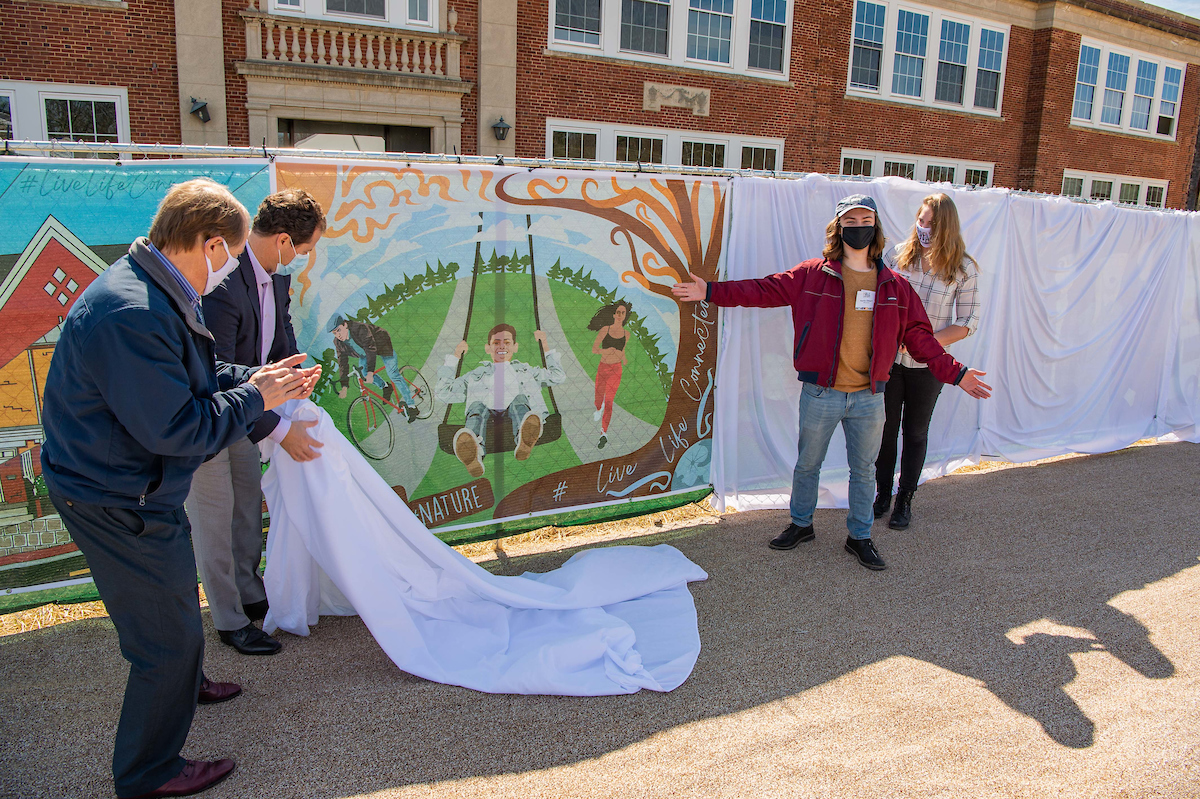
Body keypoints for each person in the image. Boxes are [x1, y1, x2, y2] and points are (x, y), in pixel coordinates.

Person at [39, 178, 319, 799]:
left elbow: (194, 371)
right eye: (229, 257)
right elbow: (179, 427)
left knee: (173, 615)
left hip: (131, 485)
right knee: (166, 639)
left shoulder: (155, 287)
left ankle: (183, 687)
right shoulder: (135, 312)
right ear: (210, 243)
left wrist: (259, 376)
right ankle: (150, 770)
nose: (230, 270)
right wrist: (259, 396)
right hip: (118, 497)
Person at [671, 194, 991, 571]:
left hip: (869, 397)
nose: (859, 227)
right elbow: (763, 289)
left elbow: (922, 340)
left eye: (865, 220)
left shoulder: (895, 286)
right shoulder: (813, 274)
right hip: (821, 392)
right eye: (850, 221)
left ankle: (860, 536)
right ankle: (801, 525)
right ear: (839, 228)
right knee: (808, 464)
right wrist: (710, 291)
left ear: (876, 227)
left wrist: (957, 373)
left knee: (864, 470)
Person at [185, 188, 327, 657]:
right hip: (208, 421)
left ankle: (250, 594)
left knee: (247, 506)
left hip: (249, 416)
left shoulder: (272, 281)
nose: (300, 261)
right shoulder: (223, 284)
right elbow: (214, 372)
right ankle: (228, 619)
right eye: (302, 251)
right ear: (284, 240)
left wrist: (295, 376)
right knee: (215, 518)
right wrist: (280, 427)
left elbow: (278, 347)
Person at [874, 193, 982, 530]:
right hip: (889, 360)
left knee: (916, 431)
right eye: (921, 221)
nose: (924, 228)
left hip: (929, 365)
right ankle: (882, 494)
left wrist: (924, 344)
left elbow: (967, 323)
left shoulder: (964, 269)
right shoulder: (896, 256)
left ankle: (905, 498)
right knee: (885, 430)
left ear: (946, 226)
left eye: (932, 224)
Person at [435, 323, 566, 477]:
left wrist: (544, 343)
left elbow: (557, 376)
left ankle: (524, 439)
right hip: (486, 419)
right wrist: (455, 356)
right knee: (476, 407)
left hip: (516, 415)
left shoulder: (525, 370)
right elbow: (442, 393)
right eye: (496, 343)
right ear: (488, 348)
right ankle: (474, 452)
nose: (501, 346)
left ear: (515, 347)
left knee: (520, 400)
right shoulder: (476, 374)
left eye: (507, 342)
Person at [331, 315, 419, 423]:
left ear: (345, 325)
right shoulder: (338, 343)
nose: (338, 335)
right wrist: (344, 386)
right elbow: (342, 363)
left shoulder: (359, 328)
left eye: (338, 330)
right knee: (363, 373)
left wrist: (370, 372)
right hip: (364, 353)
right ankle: (386, 387)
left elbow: (370, 348)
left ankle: (412, 406)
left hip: (381, 344)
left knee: (393, 374)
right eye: (334, 333)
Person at [588, 300, 632, 449]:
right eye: (618, 312)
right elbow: (594, 349)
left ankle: (603, 432)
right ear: (614, 314)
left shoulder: (627, 334)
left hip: (616, 370)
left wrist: (623, 357)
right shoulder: (605, 330)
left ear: (625, 316)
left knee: (609, 401)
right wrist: (604, 351)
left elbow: (623, 349)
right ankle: (597, 408)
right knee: (599, 397)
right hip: (603, 368)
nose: (620, 315)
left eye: (623, 313)